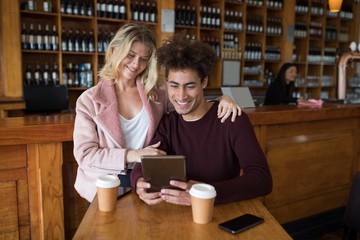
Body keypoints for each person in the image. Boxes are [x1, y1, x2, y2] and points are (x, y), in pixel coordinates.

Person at [73, 23, 241, 203]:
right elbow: (85, 155)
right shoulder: (89, 100)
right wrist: (132, 154)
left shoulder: (159, 91)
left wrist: (221, 101)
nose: (136, 64)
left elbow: (188, 107)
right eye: (130, 55)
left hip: (150, 182)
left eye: (144, 58)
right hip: (105, 186)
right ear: (114, 50)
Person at [131, 33, 273, 206]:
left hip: (224, 211)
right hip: (181, 215)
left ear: (204, 82)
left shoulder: (231, 119)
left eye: (190, 86)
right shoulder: (168, 123)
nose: (181, 95)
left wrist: (206, 193)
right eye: (174, 86)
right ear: (166, 83)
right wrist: (139, 182)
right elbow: (145, 162)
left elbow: (262, 180)